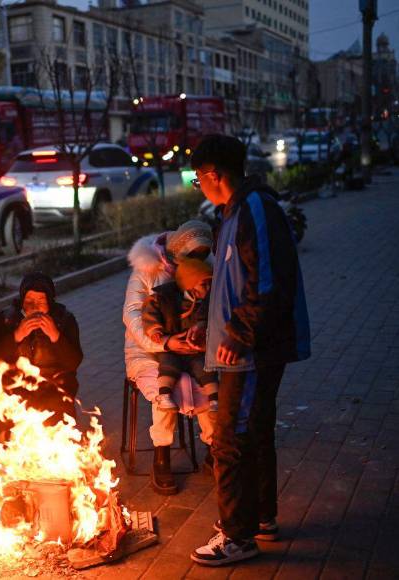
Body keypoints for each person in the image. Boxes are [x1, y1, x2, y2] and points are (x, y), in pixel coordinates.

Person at [188, 134, 310, 566]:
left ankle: (237, 537)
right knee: (254, 431)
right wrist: (213, 326)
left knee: (230, 438)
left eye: (197, 176)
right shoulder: (233, 212)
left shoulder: (254, 209)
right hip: (240, 348)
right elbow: (232, 281)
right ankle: (261, 518)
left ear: (214, 174)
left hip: (251, 352)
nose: (196, 184)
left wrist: (238, 334)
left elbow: (268, 281)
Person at [123, 220, 218, 495]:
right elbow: (132, 316)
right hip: (148, 350)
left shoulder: (201, 274)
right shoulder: (147, 271)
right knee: (166, 389)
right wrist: (165, 342)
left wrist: (200, 334)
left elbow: (210, 310)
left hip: (190, 349)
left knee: (206, 381)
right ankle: (161, 456)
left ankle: (215, 449)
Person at [0, 272, 83, 425]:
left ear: (50, 301)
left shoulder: (64, 320)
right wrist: (17, 335)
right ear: (22, 300)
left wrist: (56, 336)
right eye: (29, 300)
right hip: (17, 391)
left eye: (41, 300)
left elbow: (73, 362)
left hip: (54, 392)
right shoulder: (7, 319)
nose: (34, 306)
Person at [142, 258, 218, 414]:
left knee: (206, 368)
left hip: (195, 350)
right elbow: (149, 312)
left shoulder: (208, 303)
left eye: (211, 284)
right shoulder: (164, 298)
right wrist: (155, 330)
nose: (209, 288)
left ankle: (215, 399)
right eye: (204, 284)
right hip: (172, 349)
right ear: (190, 285)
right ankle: (165, 396)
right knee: (168, 366)